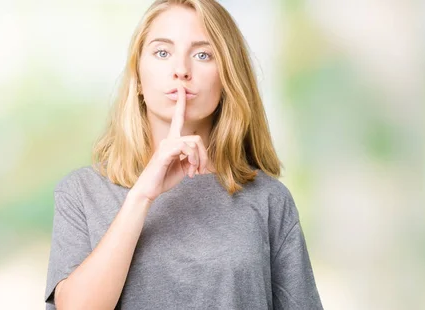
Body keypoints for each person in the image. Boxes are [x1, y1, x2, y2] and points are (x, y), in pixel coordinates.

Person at [44, 0, 323, 309]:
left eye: (203, 55)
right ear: (137, 77)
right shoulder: (81, 193)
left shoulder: (269, 200)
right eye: (162, 52)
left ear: (227, 78)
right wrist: (141, 196)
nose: (181, 70)